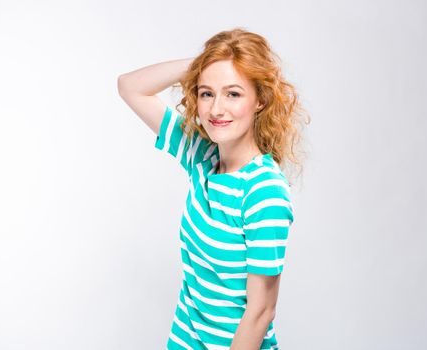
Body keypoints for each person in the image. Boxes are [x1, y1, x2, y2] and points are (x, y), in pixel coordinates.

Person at [118, 27, 310, 350]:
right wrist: (205, 64)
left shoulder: (264, 192)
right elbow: (129, 87)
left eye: (233, 93)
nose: (216, 109)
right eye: (207, 93)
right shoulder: (201, 156)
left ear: (260, 100)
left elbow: (261, 312)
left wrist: (214, 70)